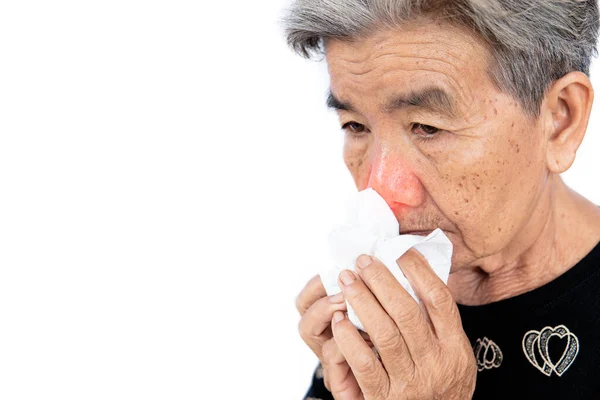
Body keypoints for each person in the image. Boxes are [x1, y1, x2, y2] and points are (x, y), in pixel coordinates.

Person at [282, 0, 600, 398]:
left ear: (560, 119)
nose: (380, 191)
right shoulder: (383, 313)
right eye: (356, 125)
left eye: (427, 127)